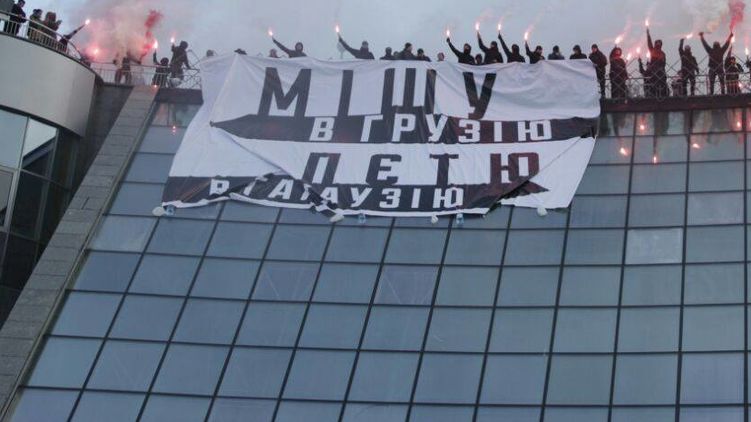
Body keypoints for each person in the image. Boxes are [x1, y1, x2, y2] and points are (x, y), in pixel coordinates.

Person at [646, 27, 668, 97]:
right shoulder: (652, 50)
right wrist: (648, 34)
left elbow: (664, 64)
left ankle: (664, 95)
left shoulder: (663, 54)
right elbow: (649, 43)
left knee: (663, 83)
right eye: (657, 43)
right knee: (654, 83)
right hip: (654, 71)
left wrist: (661, 63)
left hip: (661, 71)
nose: (658, 44)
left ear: (661, 44)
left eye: (659, 43)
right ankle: (654, 95)